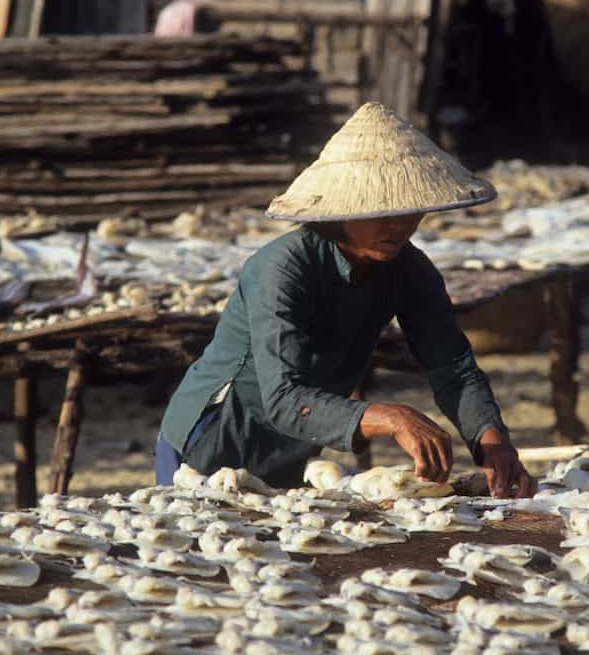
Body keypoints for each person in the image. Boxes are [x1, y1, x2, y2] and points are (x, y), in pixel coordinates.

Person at [153, 102, 536, 499]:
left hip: (291, 447)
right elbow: (284, 398)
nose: (399, 225)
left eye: (410, 211)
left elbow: (452, 368)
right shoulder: (281, 268)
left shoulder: (411, 270)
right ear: (344, 209)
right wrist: (391, 417)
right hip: (213, 434)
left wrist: (491, 442)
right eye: (381, 213)